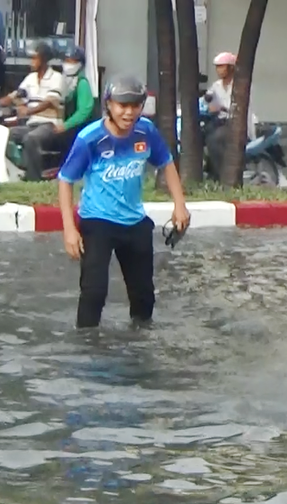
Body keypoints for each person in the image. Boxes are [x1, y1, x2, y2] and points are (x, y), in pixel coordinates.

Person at [57, 75, 191, 329]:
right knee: (94, 293)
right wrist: (69, 229)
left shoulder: (146, 131)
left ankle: (139, 344)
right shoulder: (90, 138)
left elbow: (166, 162)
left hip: (135, 222)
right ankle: (86, 346)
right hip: (98, 223)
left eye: (135, 105)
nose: (129, 113)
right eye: (122, 105)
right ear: (108, 104)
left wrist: (179, 204)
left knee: (144, 297)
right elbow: (65, 180)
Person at [0, 42, 64, 181]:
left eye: (35, 58)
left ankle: (33, 179)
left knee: (31, 139)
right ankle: (24, 166)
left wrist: (29, 111)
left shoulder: (56, 77)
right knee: (3, 135)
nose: (31, 61)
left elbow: (49, 101)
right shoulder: (30, 78)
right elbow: (17, 94)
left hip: (50, 124)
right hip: (32, 124)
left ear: (44, 59)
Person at [204, 51, 257, 179]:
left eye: (222, 66)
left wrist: (220, 107)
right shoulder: (216, 86)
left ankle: (222, 175)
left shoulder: (241, 86)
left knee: (214, 140)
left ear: (231, 68)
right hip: (220, 122)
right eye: (217, 67)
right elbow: (207, 98)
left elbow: (238, 108)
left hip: (236, 124)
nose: (219, 70)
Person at [57, 46, 96, 143]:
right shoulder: (60, 80)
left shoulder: (82, 83)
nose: (68, 65)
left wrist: (65, 125)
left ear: (81, 64)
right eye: (66, 61)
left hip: (75, 131)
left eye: (73, 62)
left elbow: (84, 111)